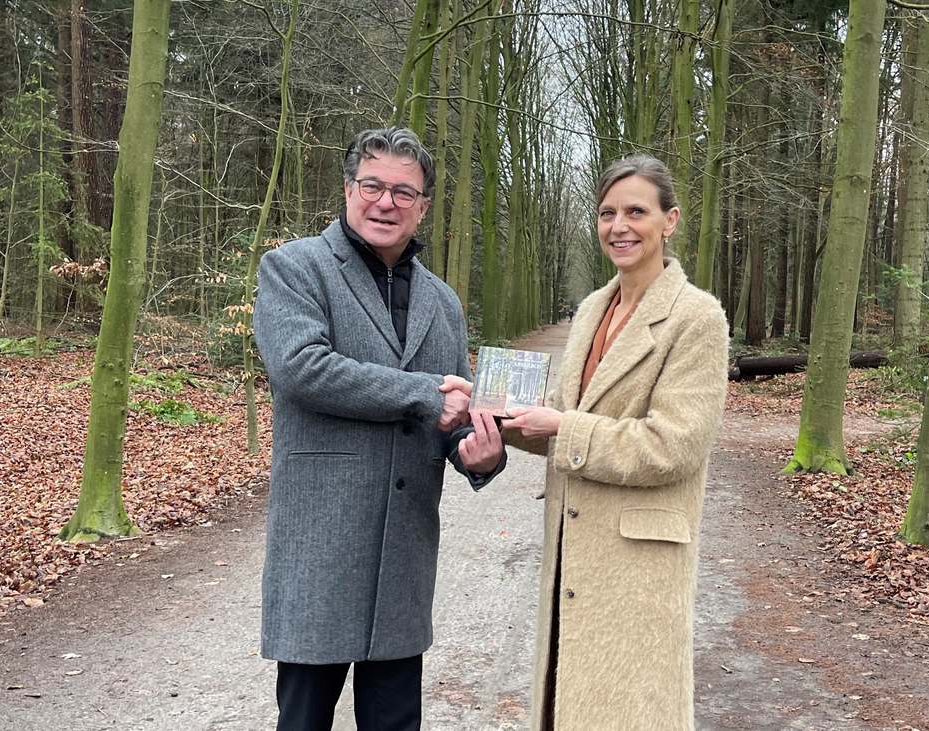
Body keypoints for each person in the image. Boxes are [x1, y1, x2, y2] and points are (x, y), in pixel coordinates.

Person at [253, 126, 506, 731]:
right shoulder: (295, 268)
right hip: (322, 538)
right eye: (373, 186)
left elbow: (452, 413)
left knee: (395, 720)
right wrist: (422, 393)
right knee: (303, 717)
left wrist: (477, 454)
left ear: (423, 207)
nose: (385, 202)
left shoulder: (443, 302)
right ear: (347, 190)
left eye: (403, 192)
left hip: (403, 549)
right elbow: (300, 368)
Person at [501, 155, 729, 730]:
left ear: (669, 221)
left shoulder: (696, 318)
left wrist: (564, 429)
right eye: (607, 212)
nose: (619, 225)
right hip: (572, 548)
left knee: (629, 709)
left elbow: (674, 446)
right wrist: (495, 413)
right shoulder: (590, 311)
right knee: (568, 706)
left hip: (637, 563)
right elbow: (559, 420)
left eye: (636, 211)